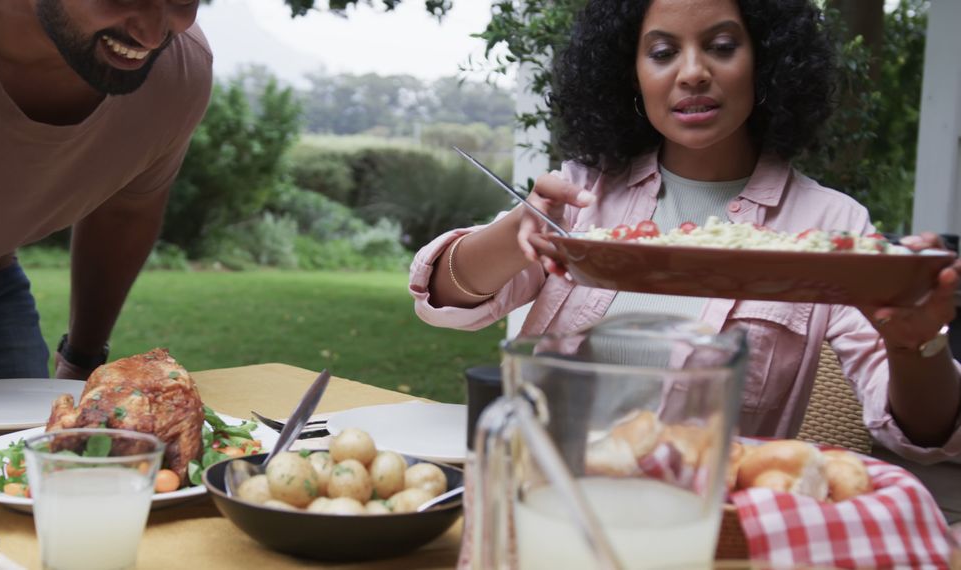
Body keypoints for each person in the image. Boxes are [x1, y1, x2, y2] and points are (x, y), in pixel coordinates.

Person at [410, 0, 961, 471]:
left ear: (764, 60)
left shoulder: (832, 226)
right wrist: (517, 229)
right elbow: (444, 301)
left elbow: (924, 435)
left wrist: (916, 344)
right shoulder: (582, 190)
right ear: (632, 73)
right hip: (539, 487)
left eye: (721, 46)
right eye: (663, 51)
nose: (693, 72)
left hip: (701, 521)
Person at [0, 0, 212, 380]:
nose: (152, 36)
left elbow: (125, 212)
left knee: (30, 440)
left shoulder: (176, 77)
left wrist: (82, 359)